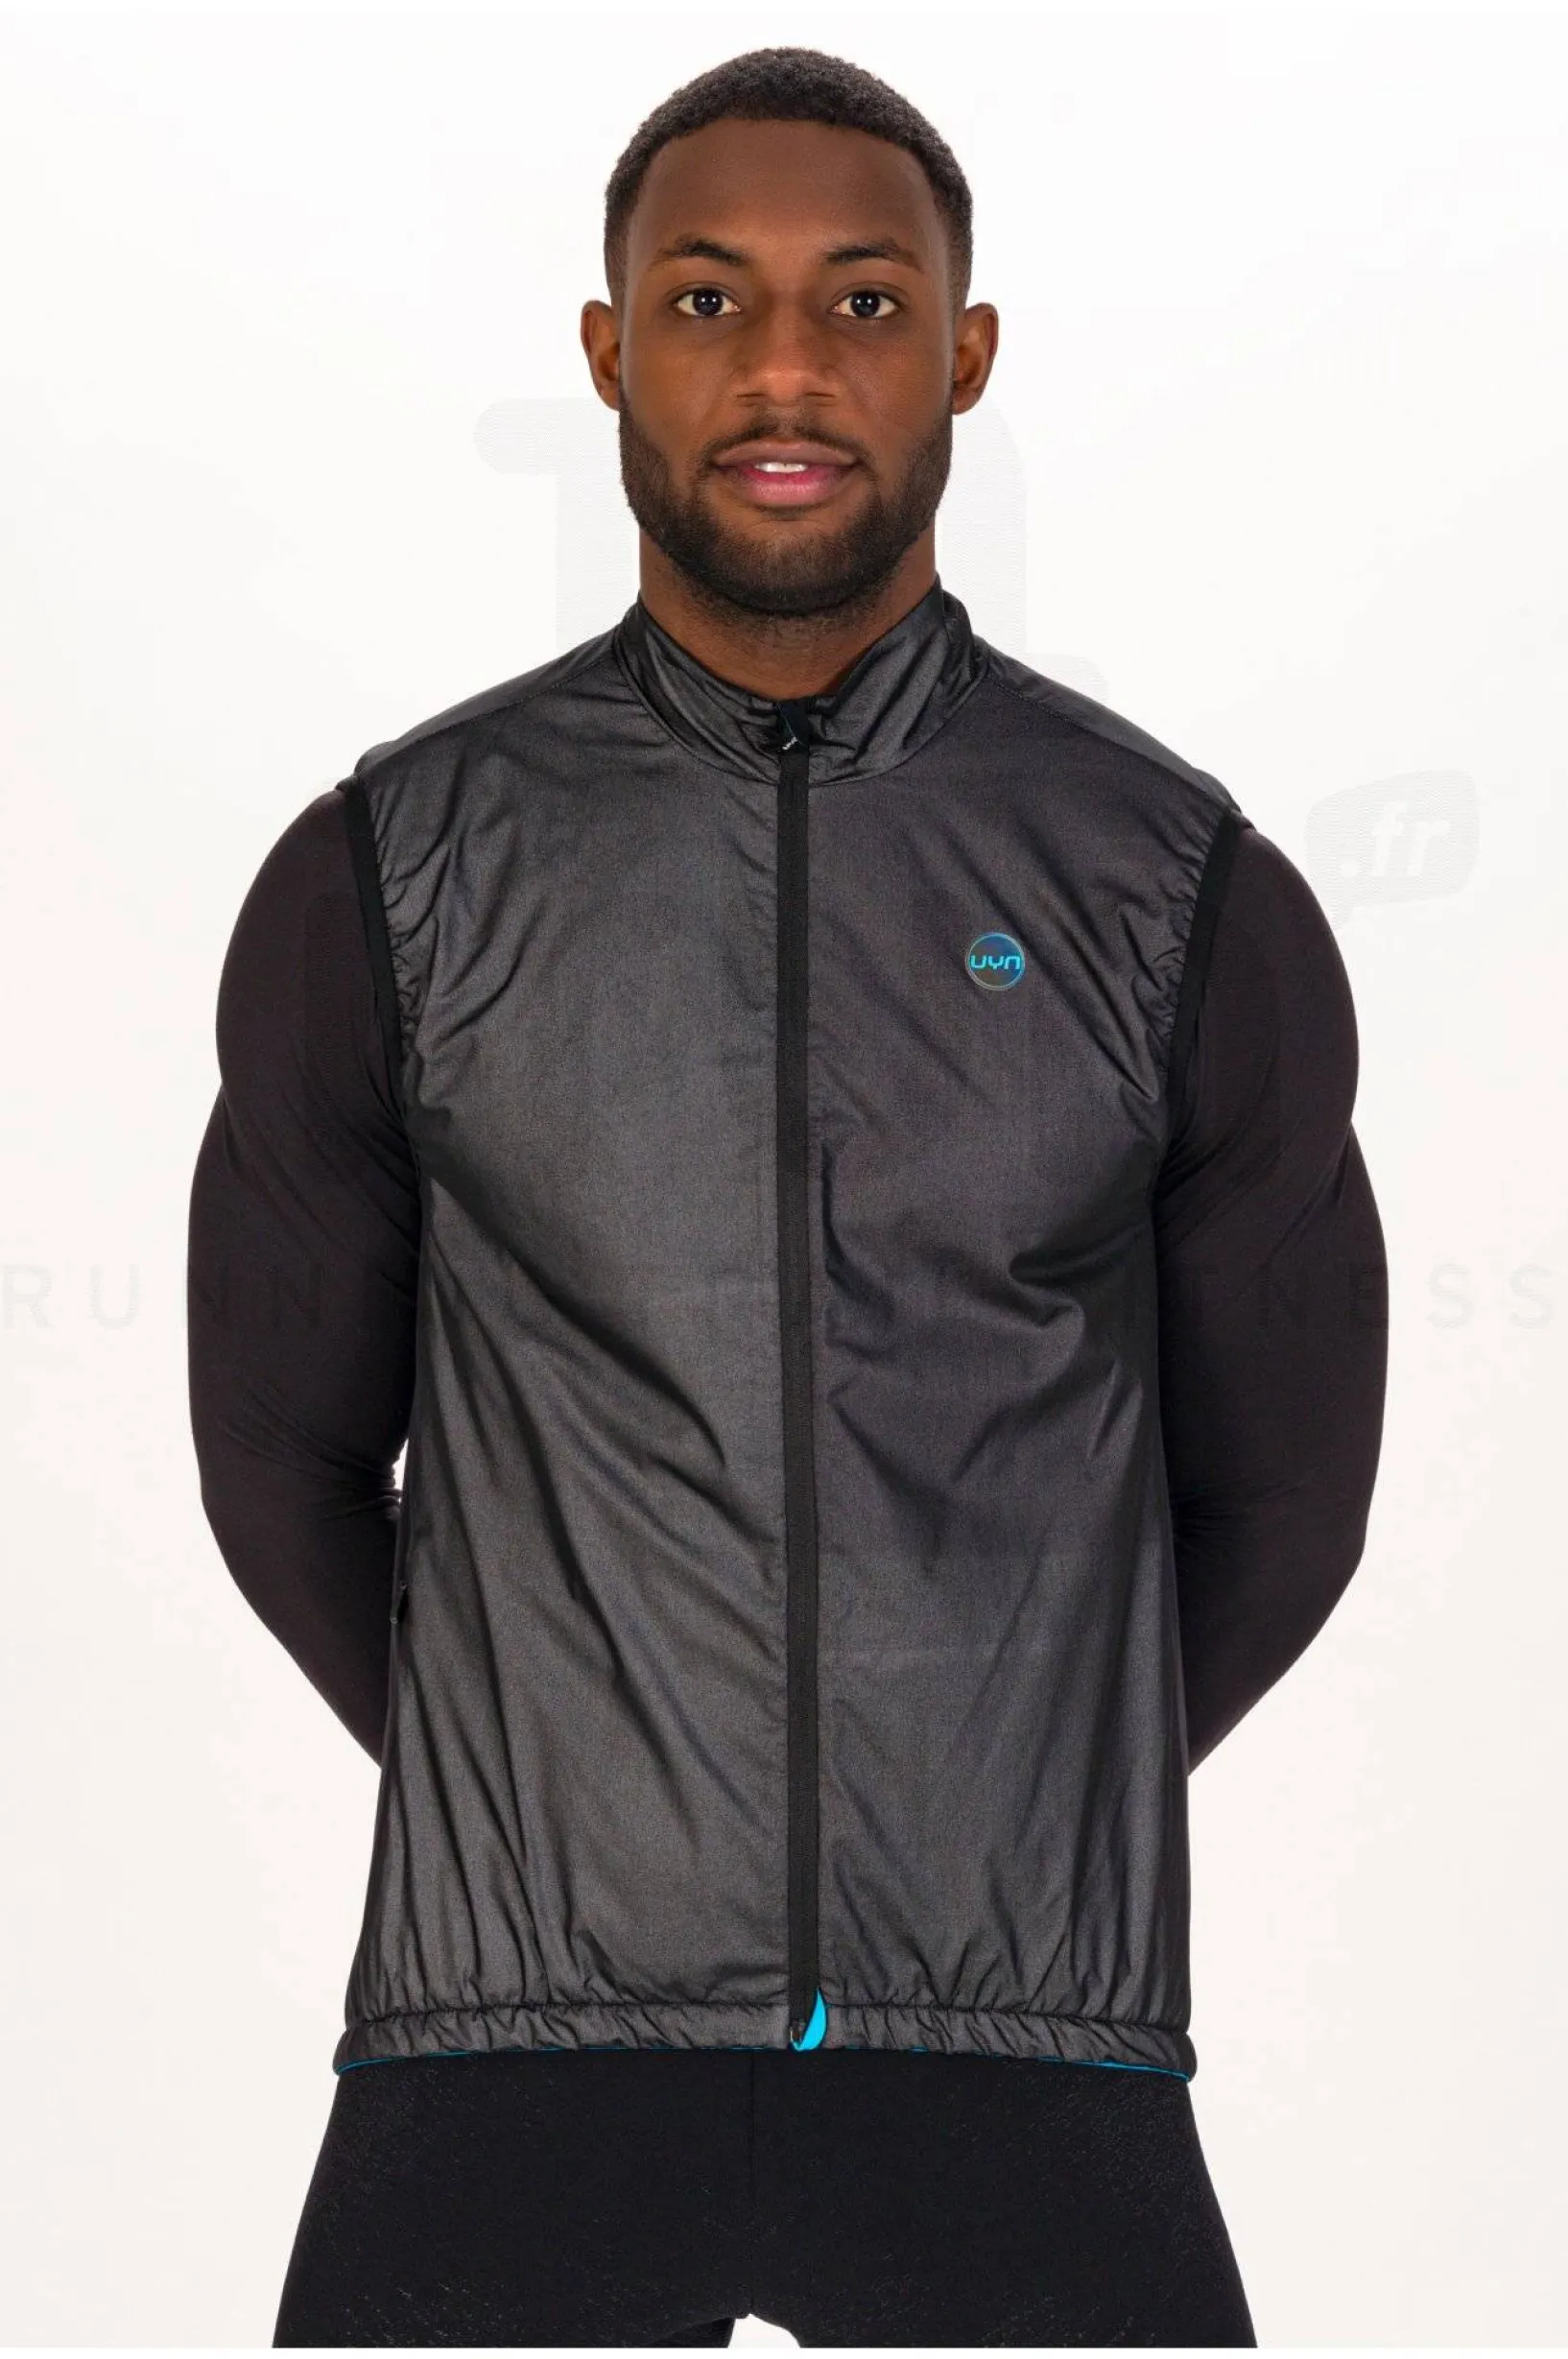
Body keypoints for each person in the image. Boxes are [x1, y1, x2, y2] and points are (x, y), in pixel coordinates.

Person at [186, 46, 1388, 2347]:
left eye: (861, 300)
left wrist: (998, 1789)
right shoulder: (389, 873)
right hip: (511, 2037)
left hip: (1024, 2045)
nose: (783, 367)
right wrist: (561, 1791)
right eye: (707, 295)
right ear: (606, 346)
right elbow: (282, 1465)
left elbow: (1282, 1502)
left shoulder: (1178, 887)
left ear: (966, 352)